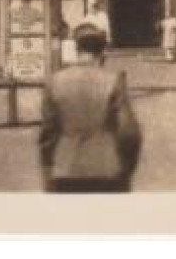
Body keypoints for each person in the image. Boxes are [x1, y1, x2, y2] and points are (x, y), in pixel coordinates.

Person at [39, 24, 142, 193]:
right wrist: (127, 168)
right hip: (106, 168)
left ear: (77, 50)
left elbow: (48, 134)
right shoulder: (113, 80)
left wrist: (47, 171)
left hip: (65, 169)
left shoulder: (55, 81)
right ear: (102, 53)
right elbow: (128, 132)